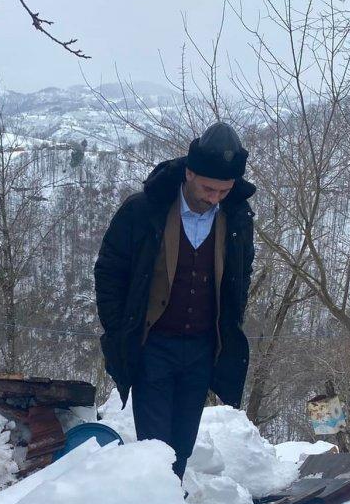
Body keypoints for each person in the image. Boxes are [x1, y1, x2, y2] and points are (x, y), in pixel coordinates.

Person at [94, 122, 257, 479]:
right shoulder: (143, 211)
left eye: (224, 190)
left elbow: (239, 277)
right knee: (154, 448)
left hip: (201, 349)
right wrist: (121, 329)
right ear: (189, 172)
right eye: (208, 188)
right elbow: (109, 273)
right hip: (153, 346)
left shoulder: (236, 220)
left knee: (181, 446)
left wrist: (230, 323)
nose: (214, 197)